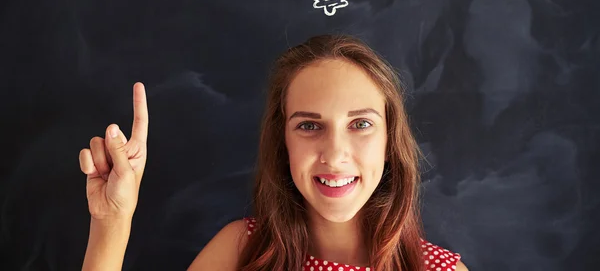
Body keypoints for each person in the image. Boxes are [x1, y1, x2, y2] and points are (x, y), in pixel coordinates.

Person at [80, 34, 469, 270]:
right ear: (283, 143)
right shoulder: (240, 250)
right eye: (309, 126)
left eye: (361, 124)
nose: (335, 155)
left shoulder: (439, 270)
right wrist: (111, 222)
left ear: (389, 143)